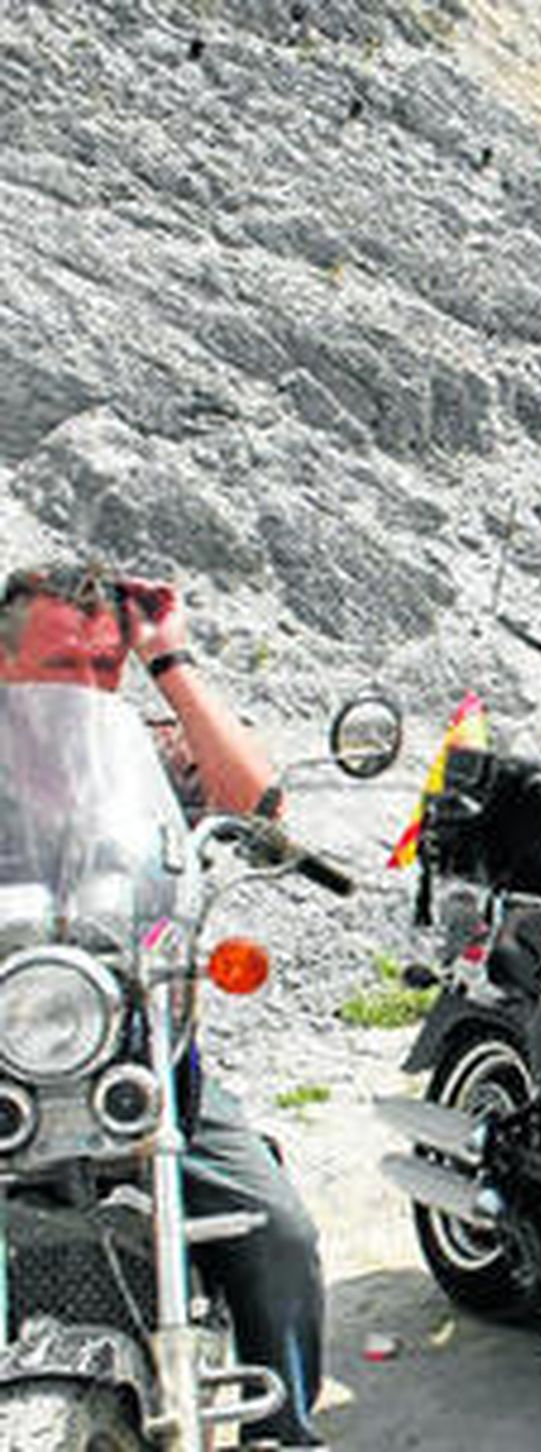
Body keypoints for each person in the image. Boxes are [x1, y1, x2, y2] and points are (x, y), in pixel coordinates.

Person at [0, 561, 324, 1450]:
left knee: (280, 1229)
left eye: (105, 665)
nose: (91, 686)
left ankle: (282, 1434)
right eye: (65, 666)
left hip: (147, 1066)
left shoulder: (139, 753)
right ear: (5, 666)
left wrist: (167, 656)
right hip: (11, 1071)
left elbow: (261, 807)